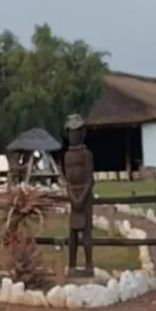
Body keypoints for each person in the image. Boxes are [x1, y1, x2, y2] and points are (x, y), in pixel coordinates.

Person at [62, 114, 95, 273]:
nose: (73, 135)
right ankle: (72, 265)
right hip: (73, 195)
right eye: (70, 132)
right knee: (73, 233)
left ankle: (89, 265)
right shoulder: (67, 156)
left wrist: (81, 197)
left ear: (82, 133)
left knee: (86, 233)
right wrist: (72, 196)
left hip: (85, 195)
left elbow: (90, 179)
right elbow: (67, 180)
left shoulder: (86, 154)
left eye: (76, 132)